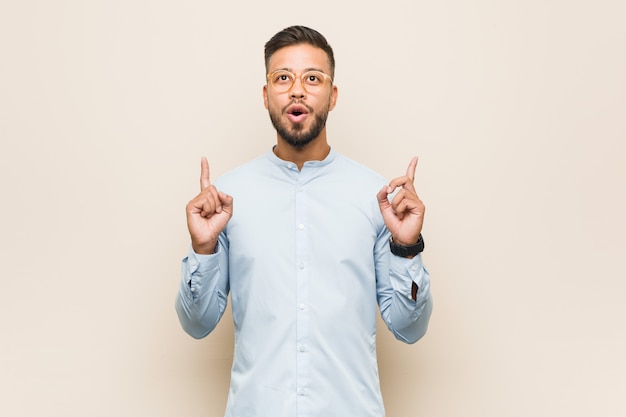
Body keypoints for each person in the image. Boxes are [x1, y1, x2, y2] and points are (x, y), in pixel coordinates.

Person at [176, 25, 433, 417]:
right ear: (266, 96)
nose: (297, 90)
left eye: (312, 78)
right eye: (283, 78)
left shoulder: (377, 198)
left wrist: (406, 248)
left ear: (332, 96)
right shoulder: (226, 199)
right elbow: (197, 325)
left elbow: (409, 328)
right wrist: (203, 248)